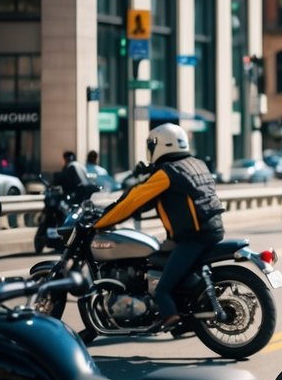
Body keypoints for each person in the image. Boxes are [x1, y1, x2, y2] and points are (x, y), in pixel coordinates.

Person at [93, 124, 225, 329]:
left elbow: (133, 200)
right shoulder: (195, 163)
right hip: (212, 229)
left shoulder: (167, 172)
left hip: (192, 236)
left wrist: (102, 221)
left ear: (161, 144)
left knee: (163, 289)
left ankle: (171, 317)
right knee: (156, 258)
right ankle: (180, 316)